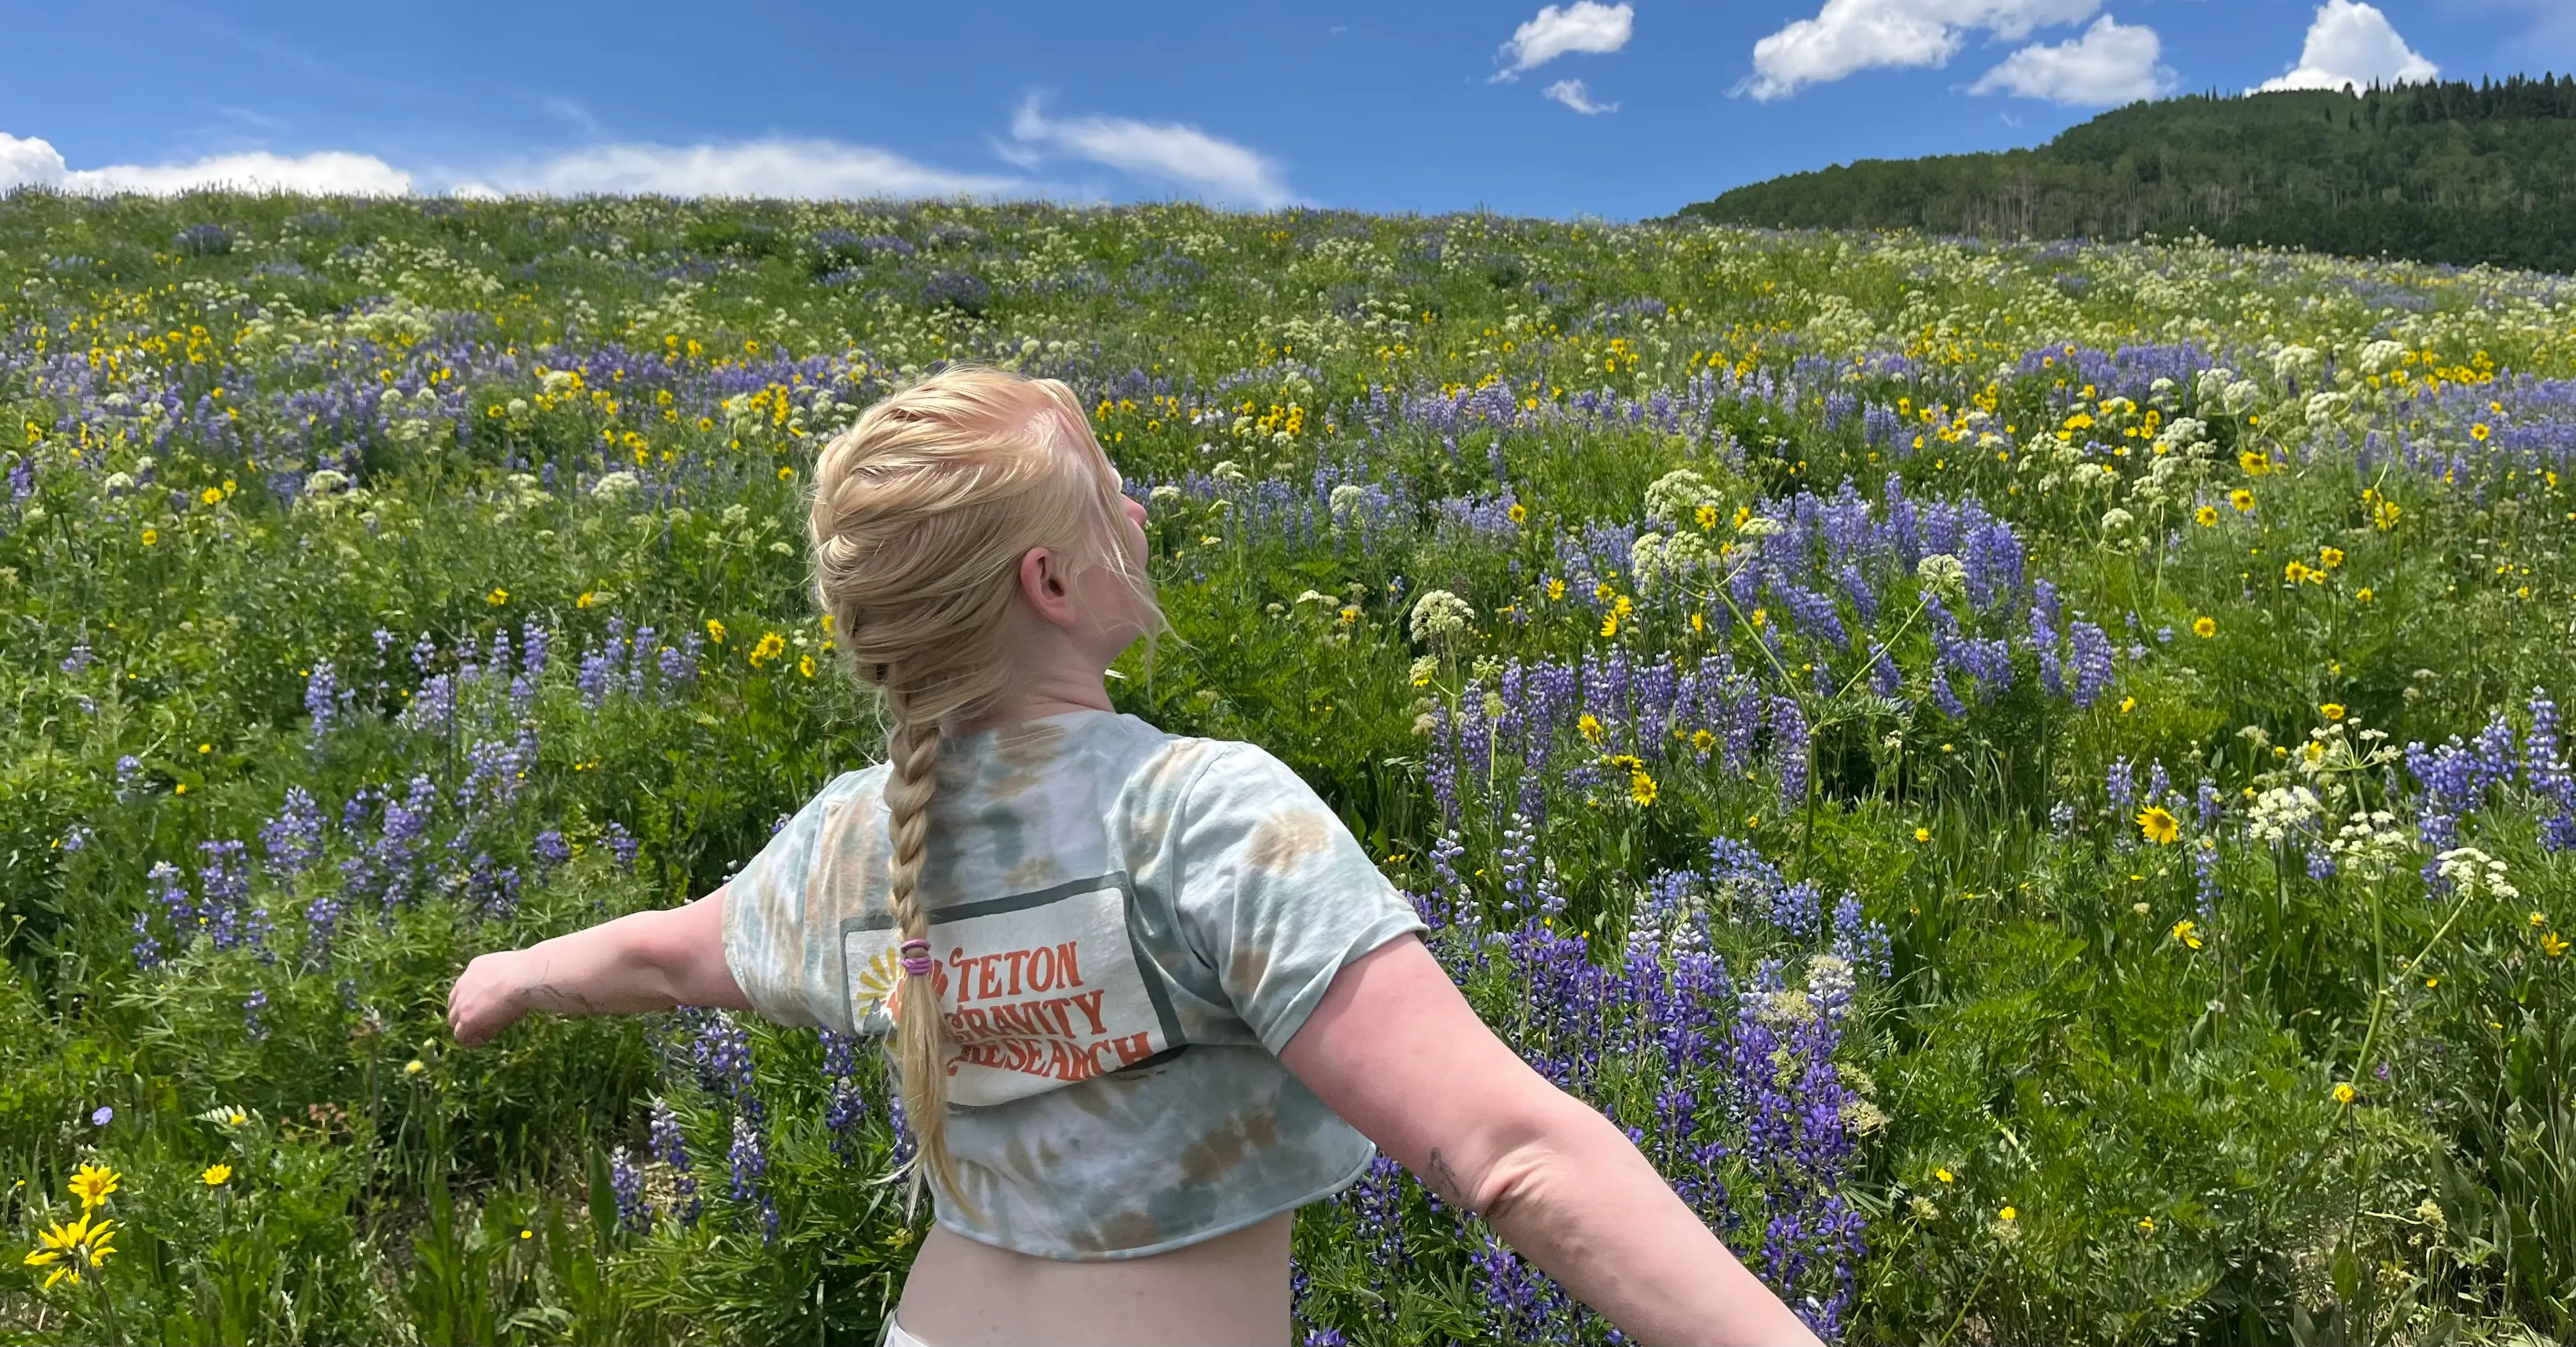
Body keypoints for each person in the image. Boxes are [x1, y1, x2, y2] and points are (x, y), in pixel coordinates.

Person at [447, 367, 1822, 1347]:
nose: (1144, 515)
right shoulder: (1203, 813)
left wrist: (512, 971)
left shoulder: (847, 841)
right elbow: (1509, 1156)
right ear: (1050, 581)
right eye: (1115, 494)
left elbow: (667, 950)